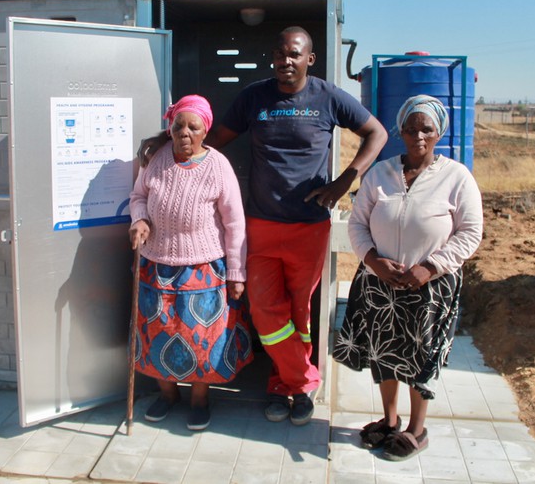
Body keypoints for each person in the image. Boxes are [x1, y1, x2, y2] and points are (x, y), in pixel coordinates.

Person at [139, 26, 388, 425]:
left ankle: (283, 386)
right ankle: (303, 382)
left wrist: (345, 180)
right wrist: (166, 141)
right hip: (261, 224)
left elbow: (377, 132)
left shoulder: (327, 97)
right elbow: (212, 138)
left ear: (310, 59)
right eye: (280, 54)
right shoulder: (255, 97)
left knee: (298, 314)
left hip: (309, 227)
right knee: (266, 313)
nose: (285, 62)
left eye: (294, 55)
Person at [333, 95, 483, 460]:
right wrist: (374, 261)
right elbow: (357, 223)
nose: (418, 135)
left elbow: (470, 232)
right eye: (411, 128)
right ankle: (388, 420)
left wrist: (429, 267)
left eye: (427, 128)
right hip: (380, 281)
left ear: (439, 132)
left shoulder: (456, 177)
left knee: (422, 356)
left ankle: (417, 429)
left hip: (430, 286)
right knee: (383, 352)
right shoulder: (380, 173)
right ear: (400, 130)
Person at [128, 94, 253, 432]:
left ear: (204, 131)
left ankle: (200, 400)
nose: (184, 132)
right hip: (156, 264)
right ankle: (167, 395)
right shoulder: (156, 159)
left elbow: (235, 223)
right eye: (178, 125)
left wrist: (237, 275)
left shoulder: (218, 166)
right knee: (158, 334)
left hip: (204, 269)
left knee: (200, 339)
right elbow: (138, 196)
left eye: (192, 127)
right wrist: (139, 220)